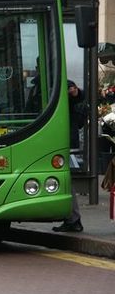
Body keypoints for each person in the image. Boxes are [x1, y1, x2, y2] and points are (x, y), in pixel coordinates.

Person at [53, 79, 86, 232]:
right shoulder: (41, 84)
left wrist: (75, 92)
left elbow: (78, 96)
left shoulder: (61, 81)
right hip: (57, 138)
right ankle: (72, 218)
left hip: (64, 140)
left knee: (66, 179)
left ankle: (73, 219)